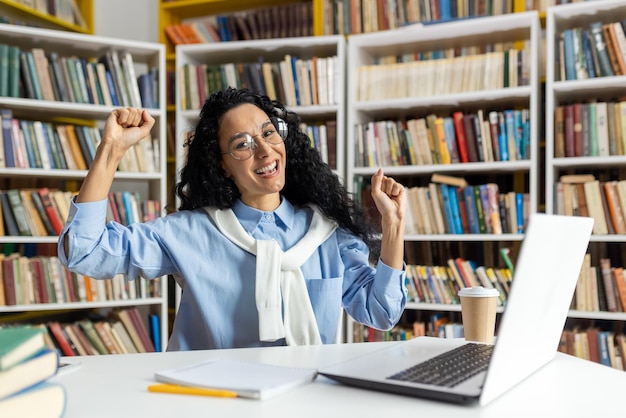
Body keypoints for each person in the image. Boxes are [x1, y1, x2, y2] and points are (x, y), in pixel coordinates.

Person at [59, 87, 407, 350]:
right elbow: (85, 252)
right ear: (222, 164)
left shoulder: (326, 233)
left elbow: (380, 313)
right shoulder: (189, 233)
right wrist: (111, 150)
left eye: (269, 133)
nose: (265, 150)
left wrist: (393, 228)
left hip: (306, 402)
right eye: (242, 144)